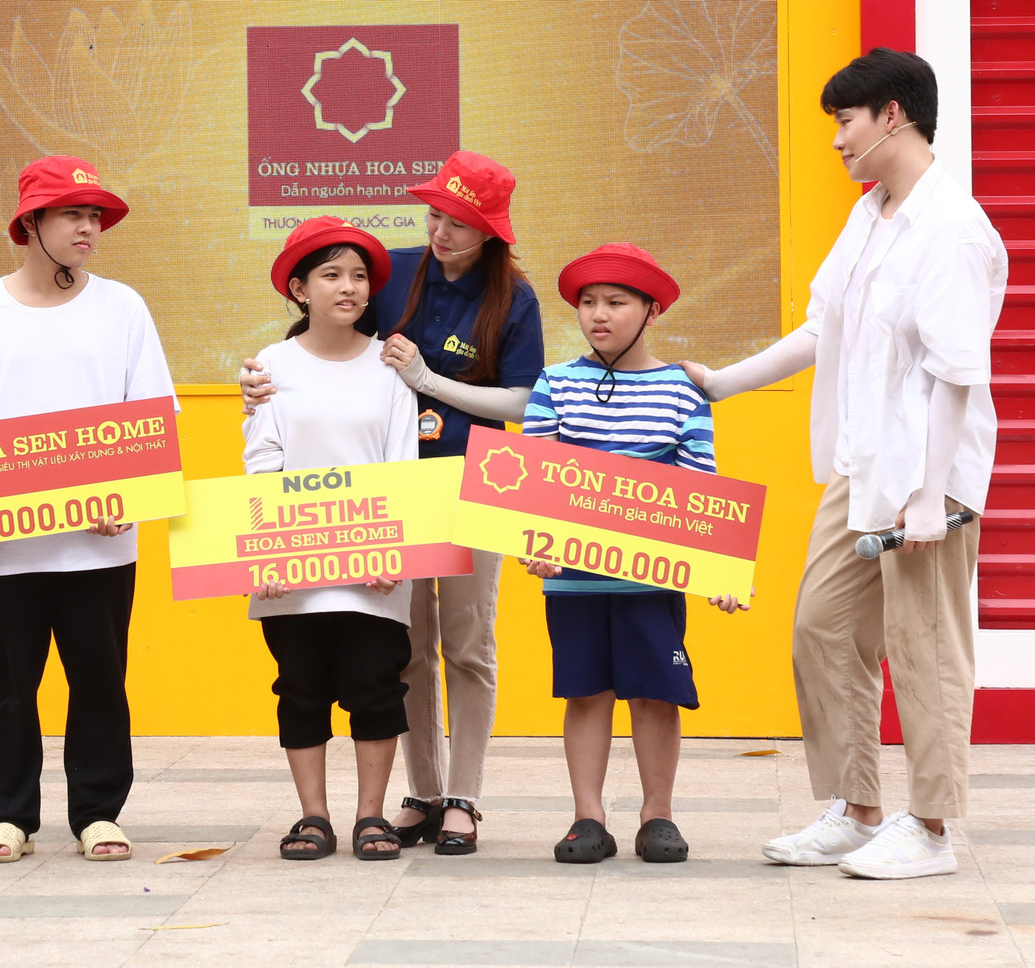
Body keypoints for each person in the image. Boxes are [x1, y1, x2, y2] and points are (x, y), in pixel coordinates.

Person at [680, 49, 1007, 879]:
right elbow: (821, 328)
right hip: (862, 463)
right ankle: (857, 810)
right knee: (822, 626)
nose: (836, 140)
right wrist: (723, 383)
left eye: (845, 120)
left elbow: (957, 374)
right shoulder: (870, 214)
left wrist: (929, 497)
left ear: (892, 115)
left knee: (925, 647)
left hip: (927, 478)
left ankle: (929, 829)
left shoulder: (952, 228)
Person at [243, 152, 544, 853]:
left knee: (468, 645)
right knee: (406, 648)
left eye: (459, 222)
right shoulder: (396, 270)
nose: (440, 233)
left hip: (475, 483)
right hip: (383, 496)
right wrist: (255, 381)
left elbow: (523, 403)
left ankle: (463, 797)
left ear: (491, 230)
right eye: (434, 215)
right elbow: (325, 339)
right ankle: (423, 792)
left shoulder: (514, 297)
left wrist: (429, 381)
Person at [0, 155, 176, 864]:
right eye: (72, 214)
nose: (88, 227)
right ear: (30, 222)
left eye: (95, 216)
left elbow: (151, 413)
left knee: (100, 683)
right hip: (5, 548)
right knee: (8, 687)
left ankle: (98, 813)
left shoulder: (121, 307)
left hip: (100, 543)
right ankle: (9, 815)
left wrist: (128, 496)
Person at [523, 244, 747, 865]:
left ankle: (658, 815)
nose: (598, 315)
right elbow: (535, 477)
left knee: (656, 694)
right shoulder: (554, 382)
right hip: (573, 581)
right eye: (588, 303)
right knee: (585, 693)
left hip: (653, 583)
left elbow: (701, 488)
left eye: (616, 302)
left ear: (651, 311)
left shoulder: (682, 390)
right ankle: (588, 817)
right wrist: (534, 546)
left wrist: (721, 571)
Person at [244, 217, 416, 860]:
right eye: (331, 275)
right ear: (299, 289)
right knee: (300, 688)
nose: (349, 287)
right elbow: (262, 463)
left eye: (359, 276)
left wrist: (392, 551)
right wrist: (269, 554)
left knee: (376, 685)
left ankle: (372, 816)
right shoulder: (271, 365)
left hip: (376, 568)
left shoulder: (389, 364)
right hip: (291, 571)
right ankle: (312, 817)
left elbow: (401, 463)